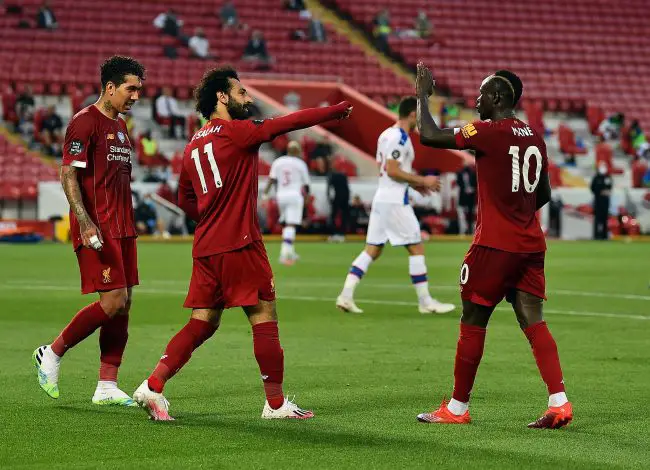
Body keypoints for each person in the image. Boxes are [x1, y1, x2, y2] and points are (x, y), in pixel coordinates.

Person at [132, 66, 352, 421]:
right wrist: (333, 112)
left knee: (203, 321)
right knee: (264, 316)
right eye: (241, 92)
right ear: (222, 97)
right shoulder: (237, 132)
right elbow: (286, 123)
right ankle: (275, 404)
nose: (247, 98)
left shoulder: (192, 145)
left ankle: (152, 385)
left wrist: (212, 215)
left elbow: (186, 200)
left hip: (206, 246)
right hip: (240, 242)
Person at [414, 62, 572, 428]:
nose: (476, 100)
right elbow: (543, 194)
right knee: (534, 321)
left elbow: (429, 134)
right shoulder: (534, 136)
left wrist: (422, 95)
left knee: (473, 321)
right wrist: (517, 210)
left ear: (498, 98)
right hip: (530, 245)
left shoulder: (486, 131)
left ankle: (457, 408)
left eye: (482, 93)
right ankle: (559, 402)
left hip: (494, 245)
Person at [32, 56, 145, 406]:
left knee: (124, 305)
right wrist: (83, 221)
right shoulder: (84, 122)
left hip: (123, 228)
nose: (136, 96)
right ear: (110, 87)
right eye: (130, 89)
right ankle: (51, 353)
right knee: (113, 301)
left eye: (139, 90)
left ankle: (106, 385)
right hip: (98, 226)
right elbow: (69, 173)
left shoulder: (121, 127)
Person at [335, 96, 454, 315]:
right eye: (420, 116)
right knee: (416, 247)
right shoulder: (400, 137)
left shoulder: (386, 134)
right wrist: (422, 180)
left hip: (383, 197)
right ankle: (426, 301)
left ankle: (346, 295)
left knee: (373, 249)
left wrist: (415, 185)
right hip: (395, 201)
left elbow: (388, 170)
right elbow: (392, 169)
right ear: (412, 114)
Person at [263, 141, 310, 265]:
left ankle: (291, 251)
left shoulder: (278, 162)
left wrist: (265, 194)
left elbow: (271, 179)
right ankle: (284, 254)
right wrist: (307, 197)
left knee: (285, 224)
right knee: (291, 225)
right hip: (294, 196)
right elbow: (306, 185)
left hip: (281, 196)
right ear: (297, 151)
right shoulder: (300, 164)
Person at [325, 158, 350, 241]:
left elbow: (329, 189)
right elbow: (347, 189)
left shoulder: (331, 175)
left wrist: (329, 199)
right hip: (344, 198)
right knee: (343, 216)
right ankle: (341, 234)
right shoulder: (343, 175)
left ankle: (333, 233)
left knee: (334, 216)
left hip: (336, 198)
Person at [591, 163, 612, 240]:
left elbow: (610, 187)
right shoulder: (596, 178)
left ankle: (604, 235)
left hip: (605, 202)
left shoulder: (608, 177)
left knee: (605, 219)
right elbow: (592, 188)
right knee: (597, 219)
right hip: (598, 201)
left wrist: (607, 192)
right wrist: (600, 192)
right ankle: (596, 235)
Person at [456, 161, 477, 234]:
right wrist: (465, 190)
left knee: (470, 215)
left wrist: (472, 189)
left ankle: (470, 230)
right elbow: (459, 183)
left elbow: (475, 183)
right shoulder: (460, 173)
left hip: (470, 197)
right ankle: (463, 230)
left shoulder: (472, 173)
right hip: (463, 197)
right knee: (462, 215)